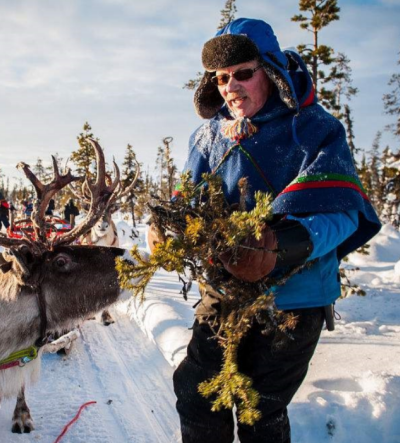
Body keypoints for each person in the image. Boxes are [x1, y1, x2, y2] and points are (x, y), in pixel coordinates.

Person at [152, 18, 382, 443]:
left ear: (270, 71)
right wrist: (168, 227)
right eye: (222, 78)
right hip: (222, 290)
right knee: (197, 394)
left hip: (294, 300)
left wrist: (282, 245)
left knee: (261, 410)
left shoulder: (314, 129)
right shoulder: (207, 137)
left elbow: (343, 215)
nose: (231, 87)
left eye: (243, 73)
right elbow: (186, 198)